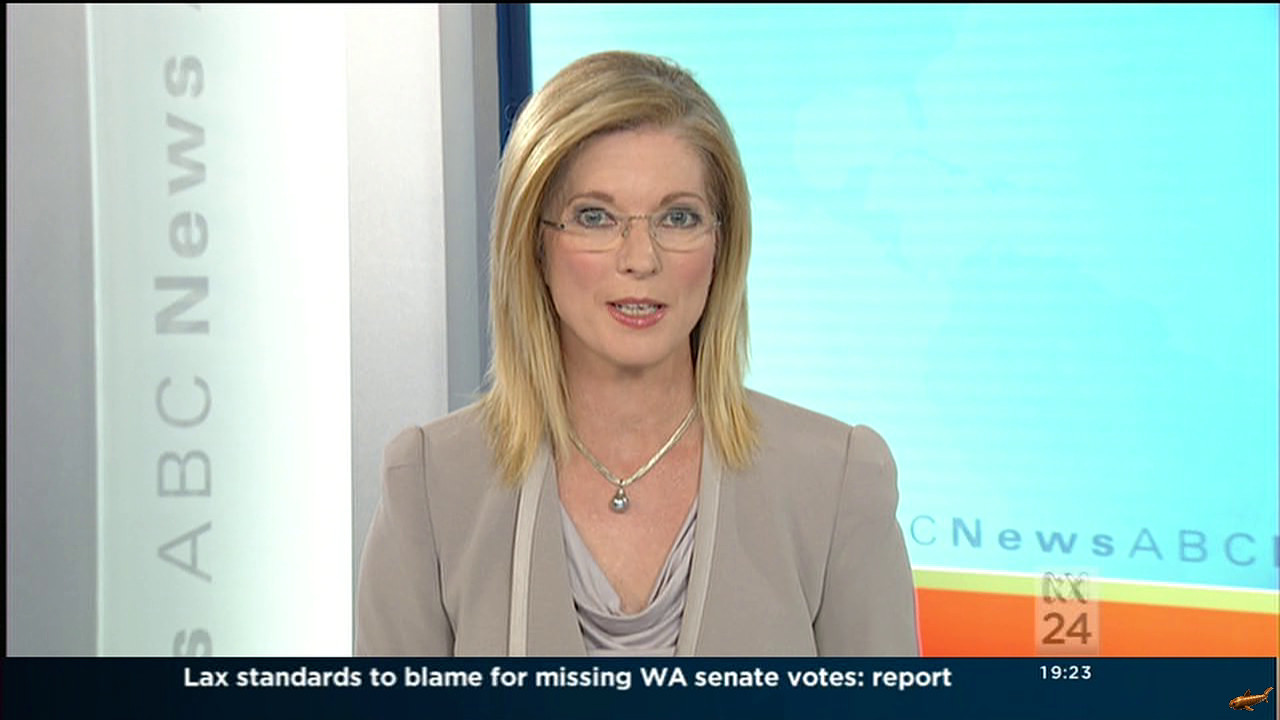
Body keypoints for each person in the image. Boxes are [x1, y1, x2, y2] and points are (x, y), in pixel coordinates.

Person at [356, 50, 918, 656]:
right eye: (595, 217)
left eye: (678, 217)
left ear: (721, 245)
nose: (641, 259)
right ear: (534, 244)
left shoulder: (837, 483)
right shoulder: (431, 486)